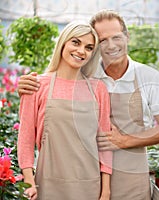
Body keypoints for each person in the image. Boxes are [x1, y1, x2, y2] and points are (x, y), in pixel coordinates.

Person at [17, 9, 159, 200]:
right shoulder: (89, 76)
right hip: (80, 178)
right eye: (102, 40)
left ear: (127, 37)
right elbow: (31, 130)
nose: (111, 45)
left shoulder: (148, 77)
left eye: (116, 37)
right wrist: (25, 87)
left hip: (129, 179)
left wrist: (124, 141)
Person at [17, 21, 112, 200]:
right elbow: (25, 140)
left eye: (89, 47)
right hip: (48, 185)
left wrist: (105, 191)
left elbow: (104, 143)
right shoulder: (37, 85)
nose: (81, 51)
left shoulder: (98, 89)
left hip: (89, 185)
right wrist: (29, 182)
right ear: (63, 43)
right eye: (76, 42)